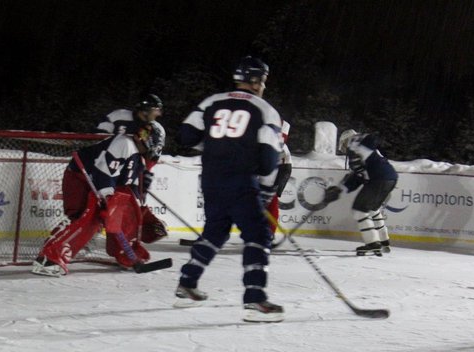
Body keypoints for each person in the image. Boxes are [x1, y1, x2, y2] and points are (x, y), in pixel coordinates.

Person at [174, 56, 285, 322]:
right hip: (241, 180)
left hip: (211, 179)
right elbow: (269, 160)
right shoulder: (265, 110)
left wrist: (216, 146)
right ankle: (255, 300)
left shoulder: (211, 101)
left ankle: (187, 284)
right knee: (258, 235)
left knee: (215, 231)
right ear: (258, 81)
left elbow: (186, 136)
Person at [31, 121, 161, 277]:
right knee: (87, 218)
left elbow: (129, 192)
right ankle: (48, 258)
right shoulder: (124, 143)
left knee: (120, 214)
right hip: (80, 177)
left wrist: (141, 215)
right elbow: (103, 173)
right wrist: (107, 198)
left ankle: (125, 253)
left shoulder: (138, 159)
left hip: (96, 181)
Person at [95, 94, 168, 241]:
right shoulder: (118, 116)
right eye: (155, 110)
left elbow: (151, 157)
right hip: (109, 167)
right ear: (145, 110)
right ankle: (97, 231)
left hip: (133, 172)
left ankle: (128, 240)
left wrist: (145, 171)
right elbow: (97, 138)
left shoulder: (154, 129)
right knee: (98, 203)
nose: (158, 114)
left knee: (130, 206)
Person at [324, 129, 398, 256]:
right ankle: (383, 240)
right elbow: (357, 178)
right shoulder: (362, 153)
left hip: (379, 179)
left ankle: (373, 243)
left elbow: (372, 138)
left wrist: (357, 140)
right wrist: (339, 190)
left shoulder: (358, 148)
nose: (343, 148)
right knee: (373, 210)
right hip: (389, 178)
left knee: (359, 210)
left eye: (343, 144)